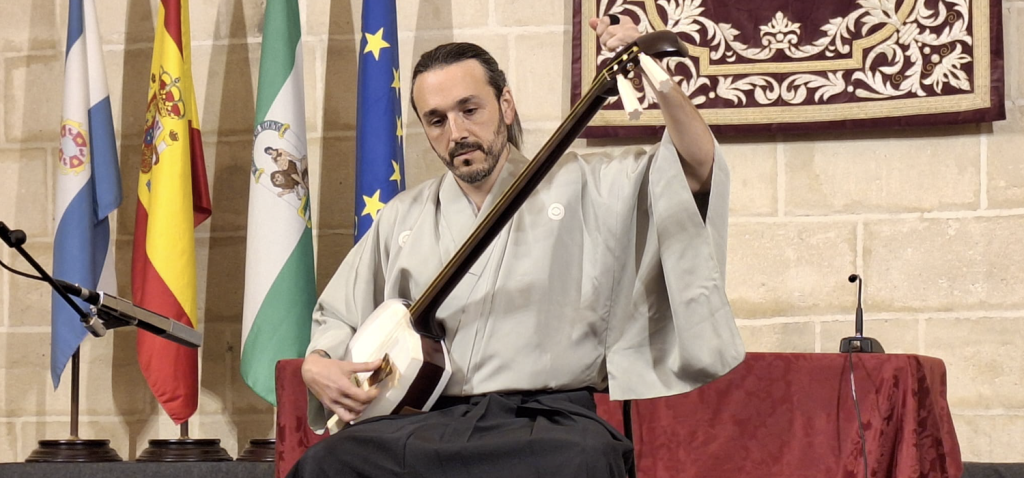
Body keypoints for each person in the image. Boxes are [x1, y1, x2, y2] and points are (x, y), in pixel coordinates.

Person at [290, 16, 744, 478]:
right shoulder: (403, 216)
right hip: (428, 421)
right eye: (437, 120)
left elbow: (694, 167)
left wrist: (655, 74)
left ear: (505, 105)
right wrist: (317, 364)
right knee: (327, 463)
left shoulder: (588, 185)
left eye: (470, 109)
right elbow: (338, 313)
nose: (456, 133)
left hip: (545, 421)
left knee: (584, 459)